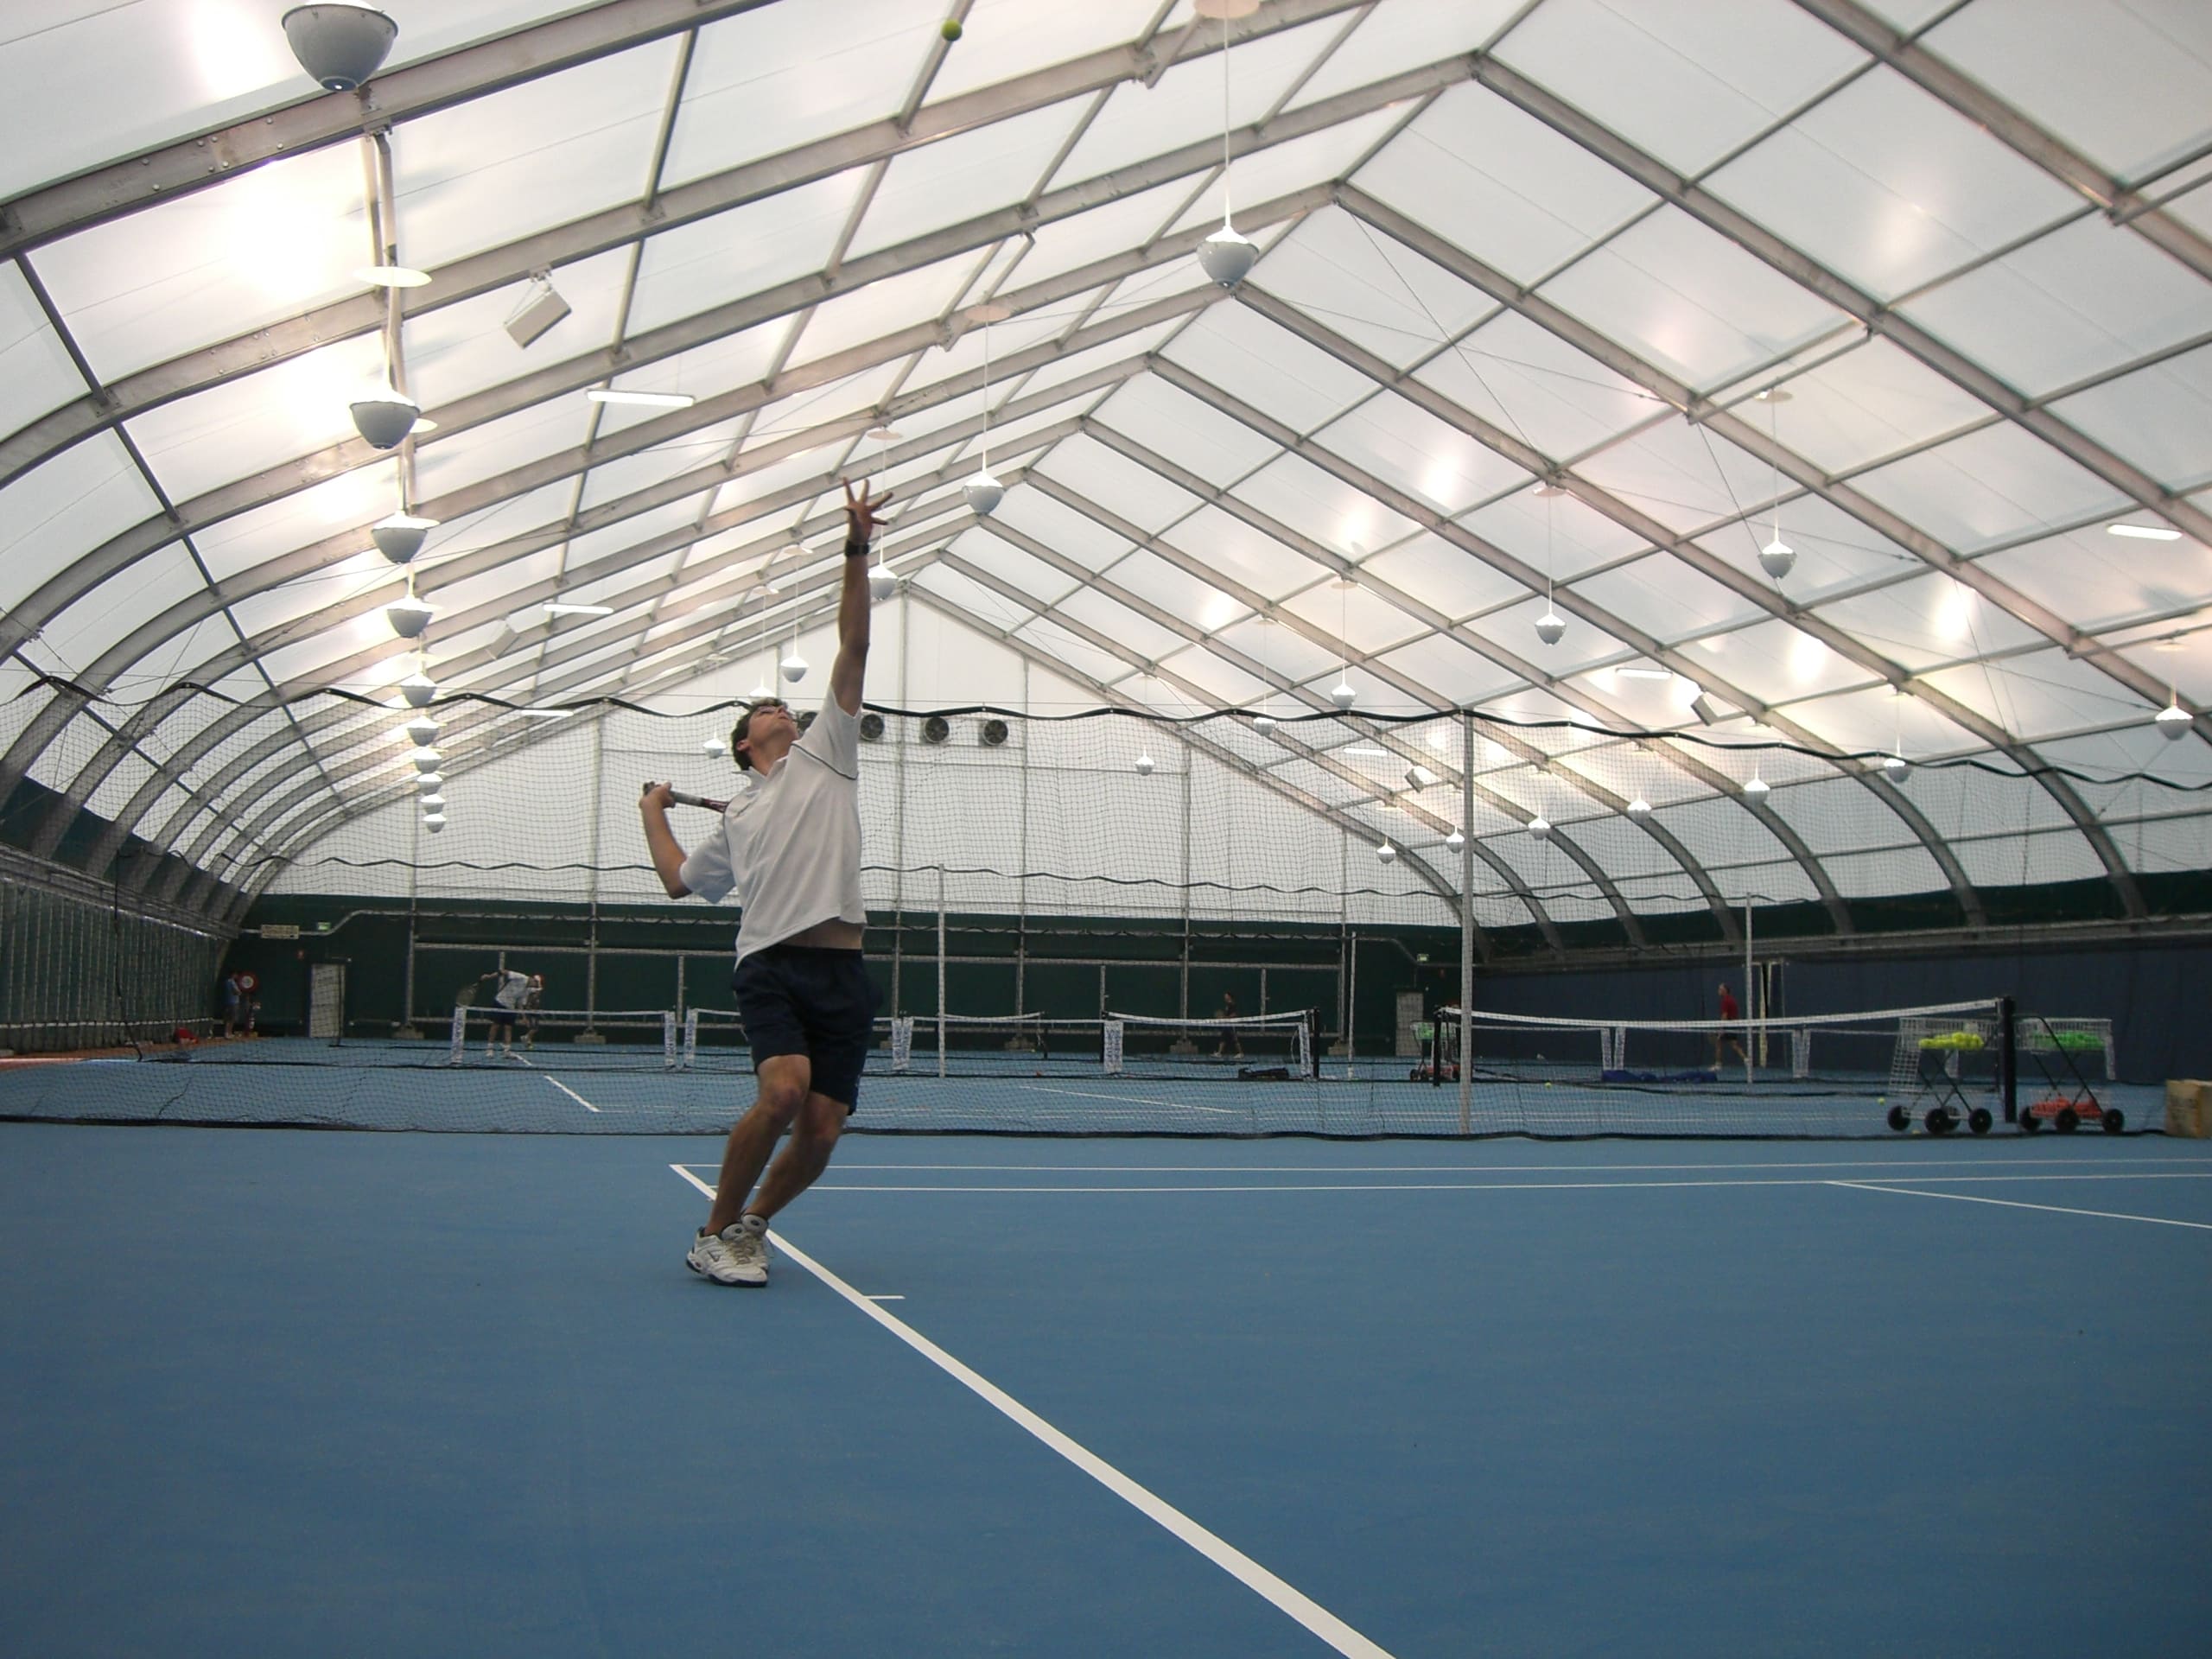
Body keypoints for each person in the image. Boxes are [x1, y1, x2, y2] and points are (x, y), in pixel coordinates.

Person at [640, 479, 891, 1289]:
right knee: (783, 1095)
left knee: (821, 1130)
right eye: (768, 712)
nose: (786, 710)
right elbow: (680, 882)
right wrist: (653, 810)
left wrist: (855, 548)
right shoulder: (735, 823)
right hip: (772, 965)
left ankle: (750, 1225)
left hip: (843, 969)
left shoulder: (828, 752)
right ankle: (711, 1231)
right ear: (746, 747)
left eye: (788, 703)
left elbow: (852, 646)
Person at [477, 967, 532, 1058]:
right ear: (532, 979)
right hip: (500, 1002)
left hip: (510, 1007)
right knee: (496, 1025)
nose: (534, 986)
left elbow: (519, 1003)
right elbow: (504, 971)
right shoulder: (521, 977)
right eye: (535, 983)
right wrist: (489, 976)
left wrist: (524, 1017)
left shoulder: (527, 990)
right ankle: (490, 1049)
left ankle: (507, 1051)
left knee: (508, 1028)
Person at [1713, 980, 1749, 1071]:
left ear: (1725, 990)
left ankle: (1718, 1065)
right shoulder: (1731, 999)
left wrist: (1721, 1028)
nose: (1719, 991)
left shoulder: (1726, 1001)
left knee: (1718, 1043)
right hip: (1733, 1025)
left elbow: (1724, 1015)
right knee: (1734, 1045)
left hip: (1728, 1025)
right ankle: (1746, 1059)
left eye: (1720, 989)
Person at [518, 973, 546, 1052]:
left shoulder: (535, 992)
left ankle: (528, 1042)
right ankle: (526, 1038)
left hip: (535, 1012)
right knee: (534, 1028)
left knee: (534, 1028)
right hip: (530, 1012)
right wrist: (524, 1016)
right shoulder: (530, 991)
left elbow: (540, 990)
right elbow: (527, 1004)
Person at [1213, 991, 1243, 1059]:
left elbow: (1234, 1015)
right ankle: (1219, 1053)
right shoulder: (1227, 1005)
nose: (1225, 997)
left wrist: (1226, 1018)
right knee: (1223, 1038)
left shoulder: (1233, 1004)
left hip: (1231, 1025)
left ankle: (1241, 1053)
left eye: (1226, 996)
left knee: (1235, 1039)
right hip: (1227, 1024)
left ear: (1229, 997)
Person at [220, 970, 245, 1039]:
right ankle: (228, 1032)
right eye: (236, 974)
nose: (237, 976)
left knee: (228, 1018)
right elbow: (236, 991)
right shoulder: (232, 982)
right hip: (233, 1002)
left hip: (228, 1002)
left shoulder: (226, 982)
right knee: (231, 1018)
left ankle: (227, 1032)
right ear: (233, 974)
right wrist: (240, 992)